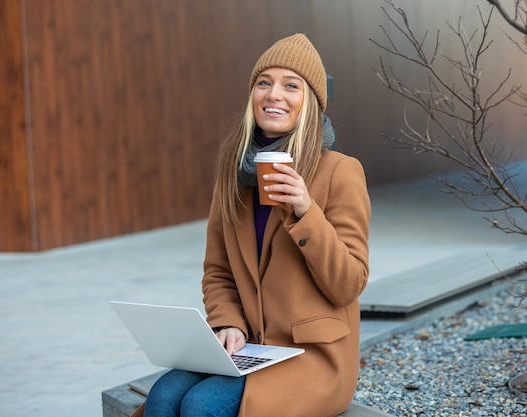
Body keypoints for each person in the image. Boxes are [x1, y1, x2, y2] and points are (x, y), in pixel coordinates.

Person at [137, 33, 371, 417]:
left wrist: (305, 212)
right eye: (265, 83)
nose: (274, 94)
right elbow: (218, 271)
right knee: (163, 395)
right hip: (249, 347)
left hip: (311, 357)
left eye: (290, 85)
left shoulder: (341, 172)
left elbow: (349, 284)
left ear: (309, 102)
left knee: (200, 405)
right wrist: (227, 322)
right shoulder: (233, 175)